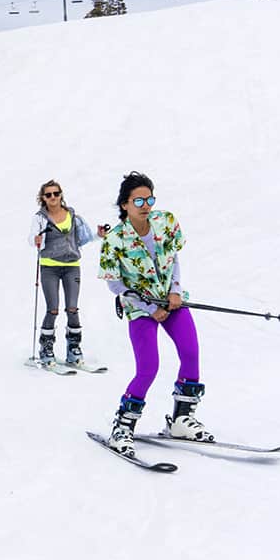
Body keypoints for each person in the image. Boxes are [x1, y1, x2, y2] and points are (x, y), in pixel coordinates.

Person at [97, 171, 209, 454]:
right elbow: (114, 284)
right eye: (138, 201)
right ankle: (122, 427)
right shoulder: (115, 239)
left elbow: (174, 258)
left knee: (191, 352)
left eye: (149, 199)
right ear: (125, 204)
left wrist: (175, 290)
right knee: (148, 368)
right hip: (140, 308)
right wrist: (149, 307)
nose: (146, 205)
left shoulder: (165, 221)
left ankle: (182, 419)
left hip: (171, 301)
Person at [28, 180, 104, 365]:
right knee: (52, 309)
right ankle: (46, 349)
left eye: (56, 193)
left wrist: (98, 235)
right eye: (48, 195)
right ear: (43, 198)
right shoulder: (40, 218)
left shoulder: (72, 215)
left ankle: (74, 349)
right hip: (49, 267)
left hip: (71, 265)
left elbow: (83, 238)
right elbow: (32, 240)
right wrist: (36, 239)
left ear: (61, 194)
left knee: (72, 308)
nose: (53, 197)